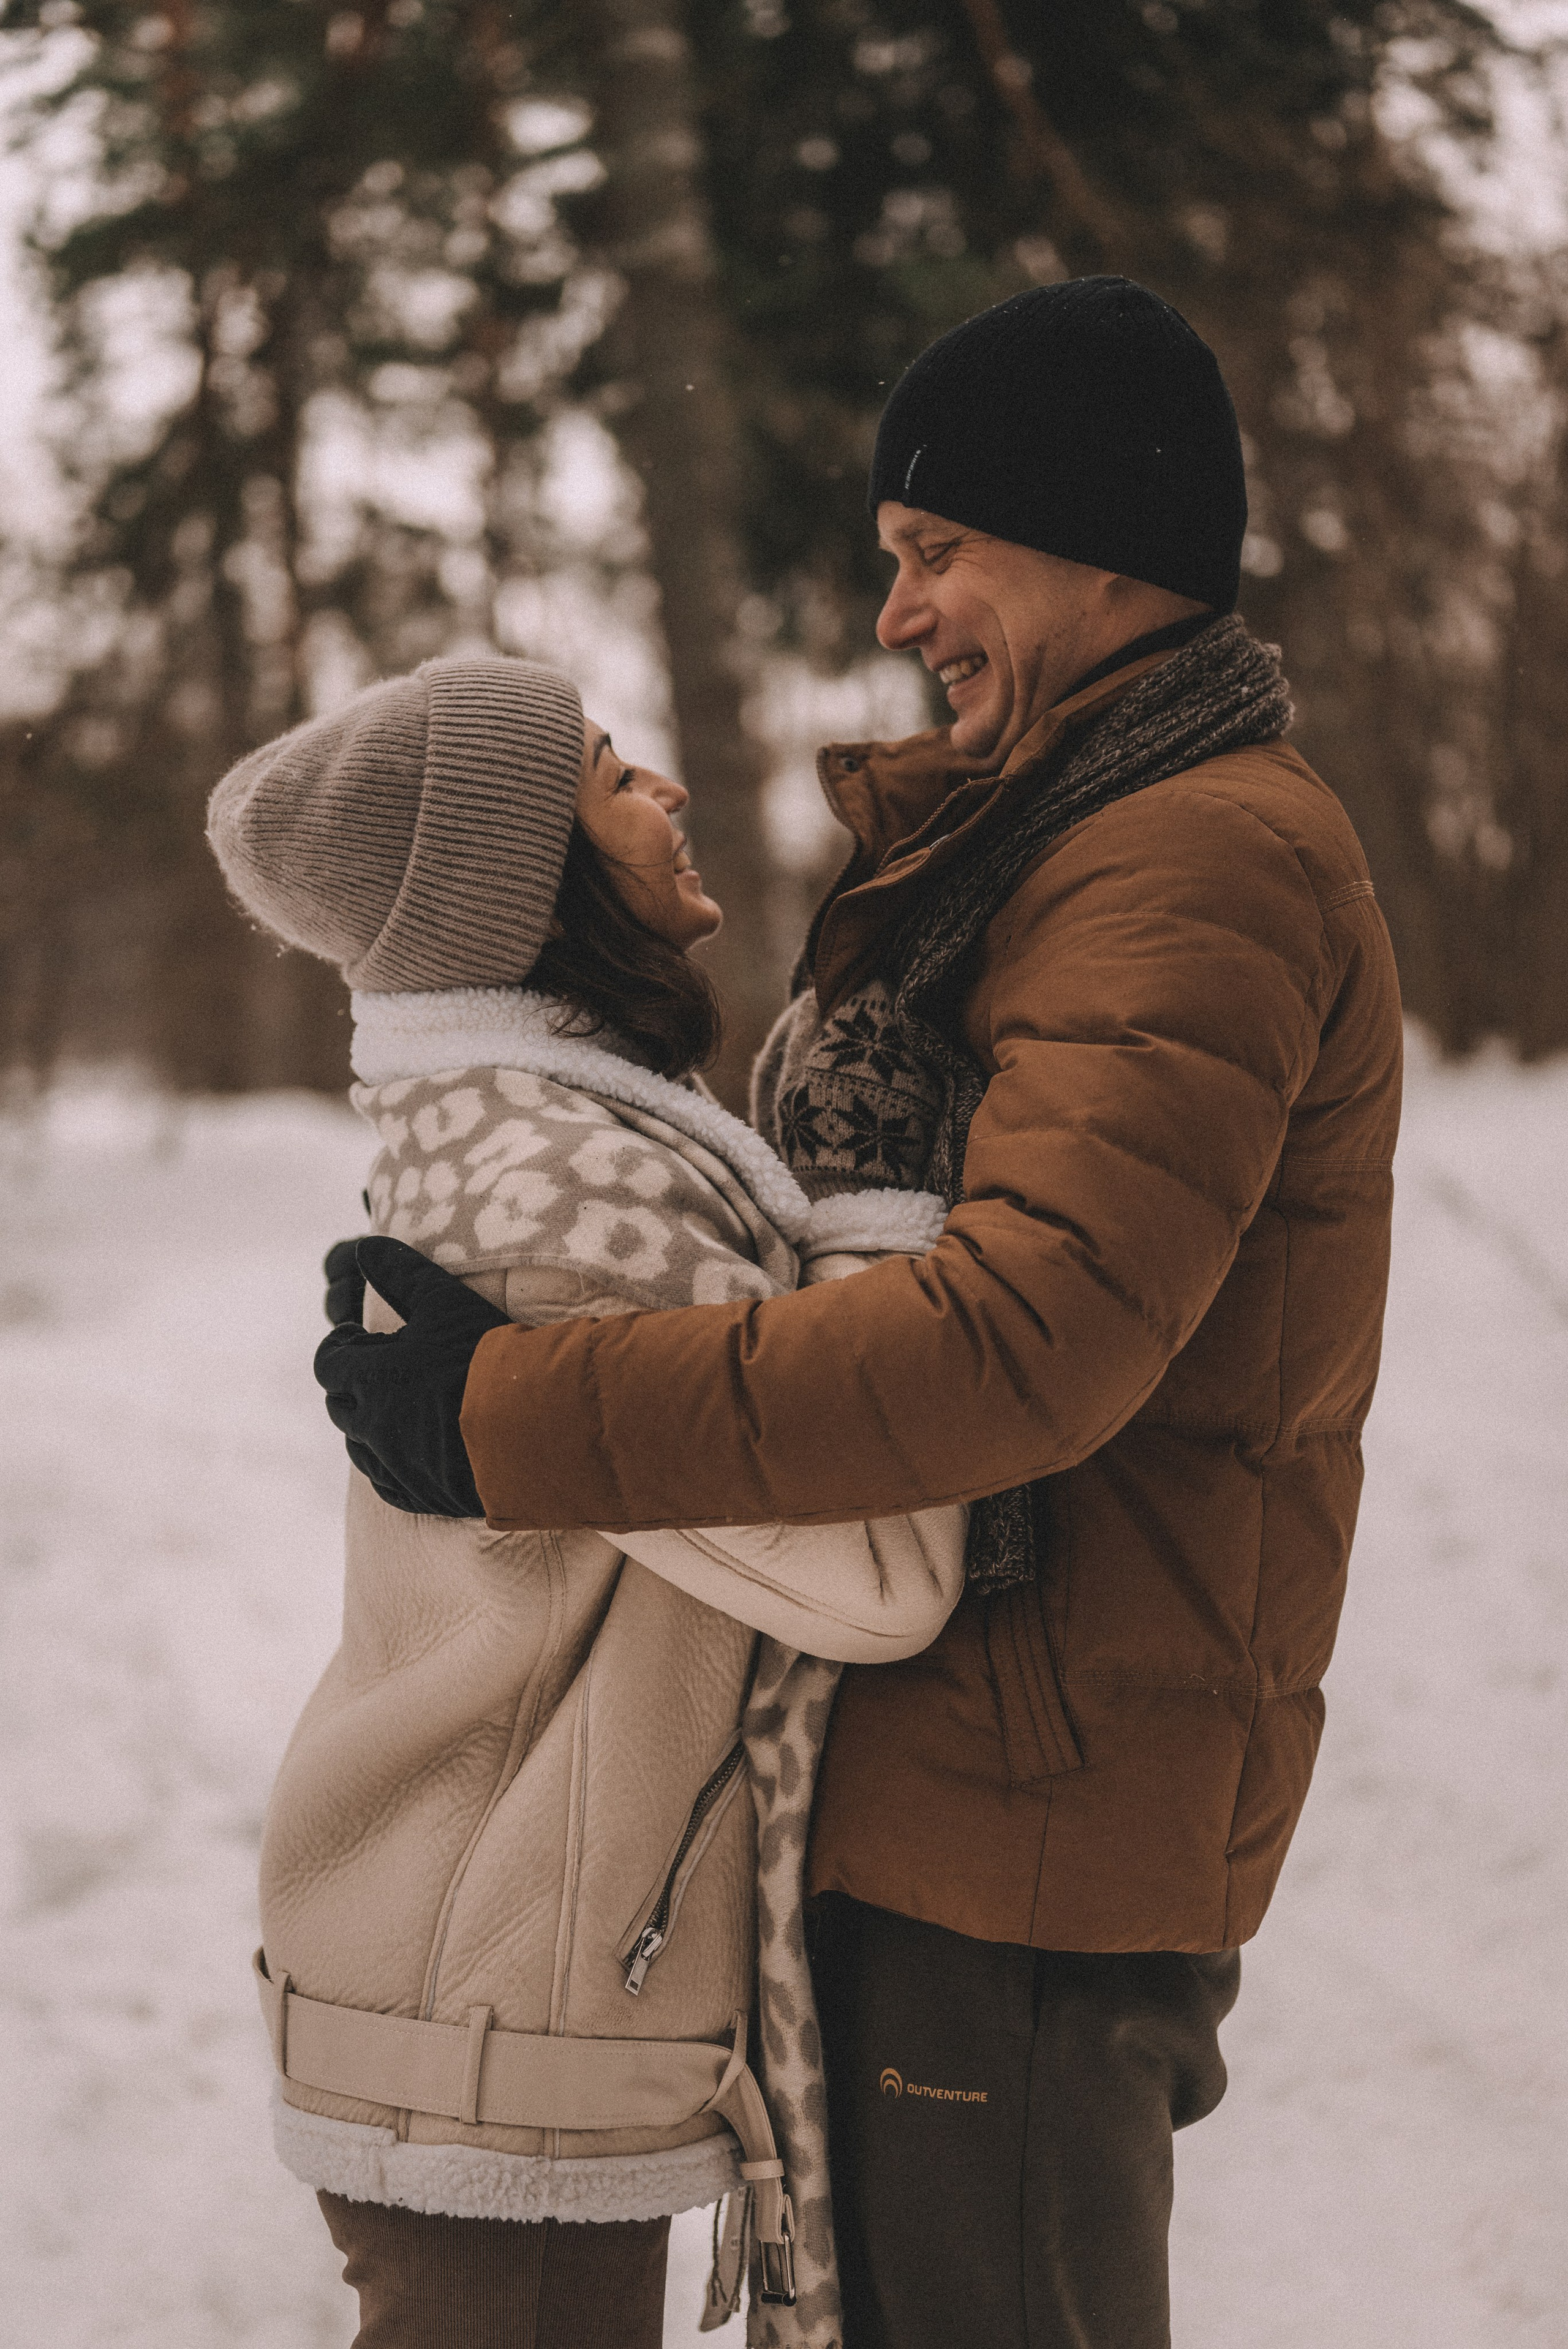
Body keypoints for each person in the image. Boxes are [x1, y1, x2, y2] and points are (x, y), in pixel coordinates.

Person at [314, 277, 1403, 2349]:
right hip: (982, 1792)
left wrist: (510, 1417)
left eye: (934, 554)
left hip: (1030, 1813)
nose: (899, 615)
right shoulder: (1094, 839)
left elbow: (1016, 1342)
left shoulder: (1187, 863)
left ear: (1098, 542)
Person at [206, 654, 969, 2349]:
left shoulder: (515, 1136)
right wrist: (876, 1217)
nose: (670, 790)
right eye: (614, 776)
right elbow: (879, 1569)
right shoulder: (575, 1190)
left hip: (469, 1975)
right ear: (523, 883)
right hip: (497, 2017)